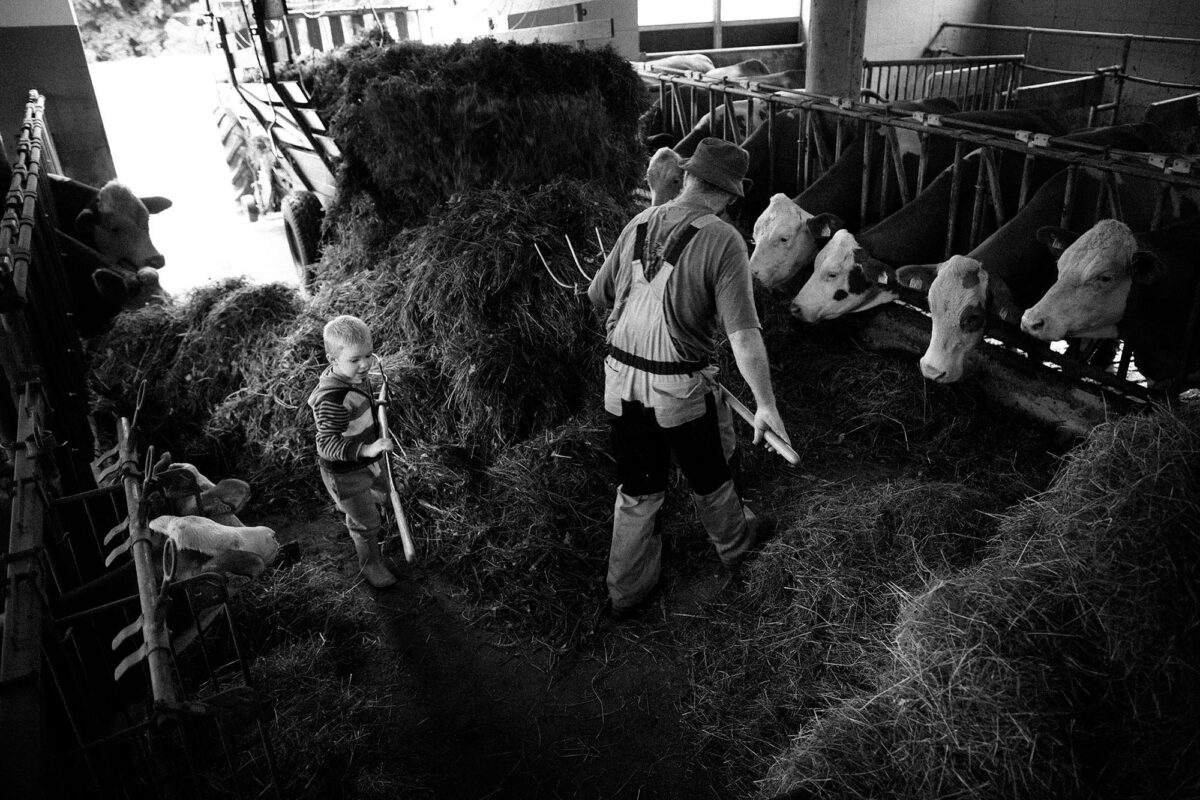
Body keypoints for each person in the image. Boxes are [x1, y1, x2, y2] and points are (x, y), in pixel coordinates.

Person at [587, 136, 791, 621]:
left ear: (688, 176)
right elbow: (743, 336)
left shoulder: (637, 223)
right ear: (727, 194)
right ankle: (738, 553)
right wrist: (766, 404)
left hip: (619, 385)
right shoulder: (724, 241)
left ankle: (627, 592)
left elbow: (597, 296)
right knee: (710, 475)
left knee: (637, 490)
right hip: (678, 391)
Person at [307, 314, 398, 589]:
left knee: (384, 488)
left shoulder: (354, 377)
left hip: (367, 459)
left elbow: (361, 398)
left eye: (369, 356)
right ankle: (371, 563)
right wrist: (368, 448)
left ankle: (386, 515)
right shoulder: (332, 400)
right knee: (365, 521)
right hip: (346, 472)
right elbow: (327, 444)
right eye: (355, 359)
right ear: (331, 359)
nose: (365, 365)